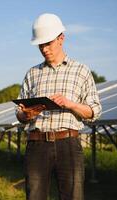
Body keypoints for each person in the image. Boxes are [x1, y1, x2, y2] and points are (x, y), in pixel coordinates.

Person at [15, 13, 102, 200]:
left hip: (68, 144)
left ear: (61, 38)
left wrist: (70, 104)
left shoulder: (81, 71)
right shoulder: (32, 74)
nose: (44, 49)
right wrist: (26, 114)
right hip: (37, 144)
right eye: (40, 45)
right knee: (35, 197)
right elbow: (19, 112)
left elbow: (94, 111)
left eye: (48, 43)